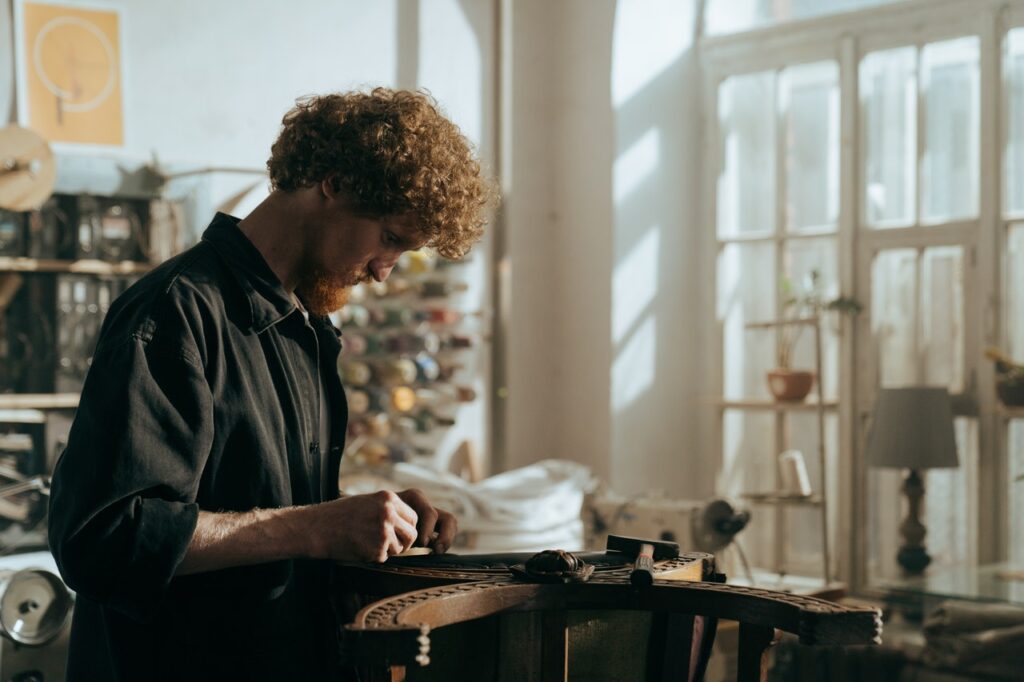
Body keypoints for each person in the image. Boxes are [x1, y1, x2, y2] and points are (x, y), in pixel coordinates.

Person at [47, 88, 496, 681]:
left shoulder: (307, 328)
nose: (386, 270)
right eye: (389, 238)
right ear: (331, 184)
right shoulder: (175, 312)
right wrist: (318, 527)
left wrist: (366, 523)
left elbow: (264, 512)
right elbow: (103, 539)